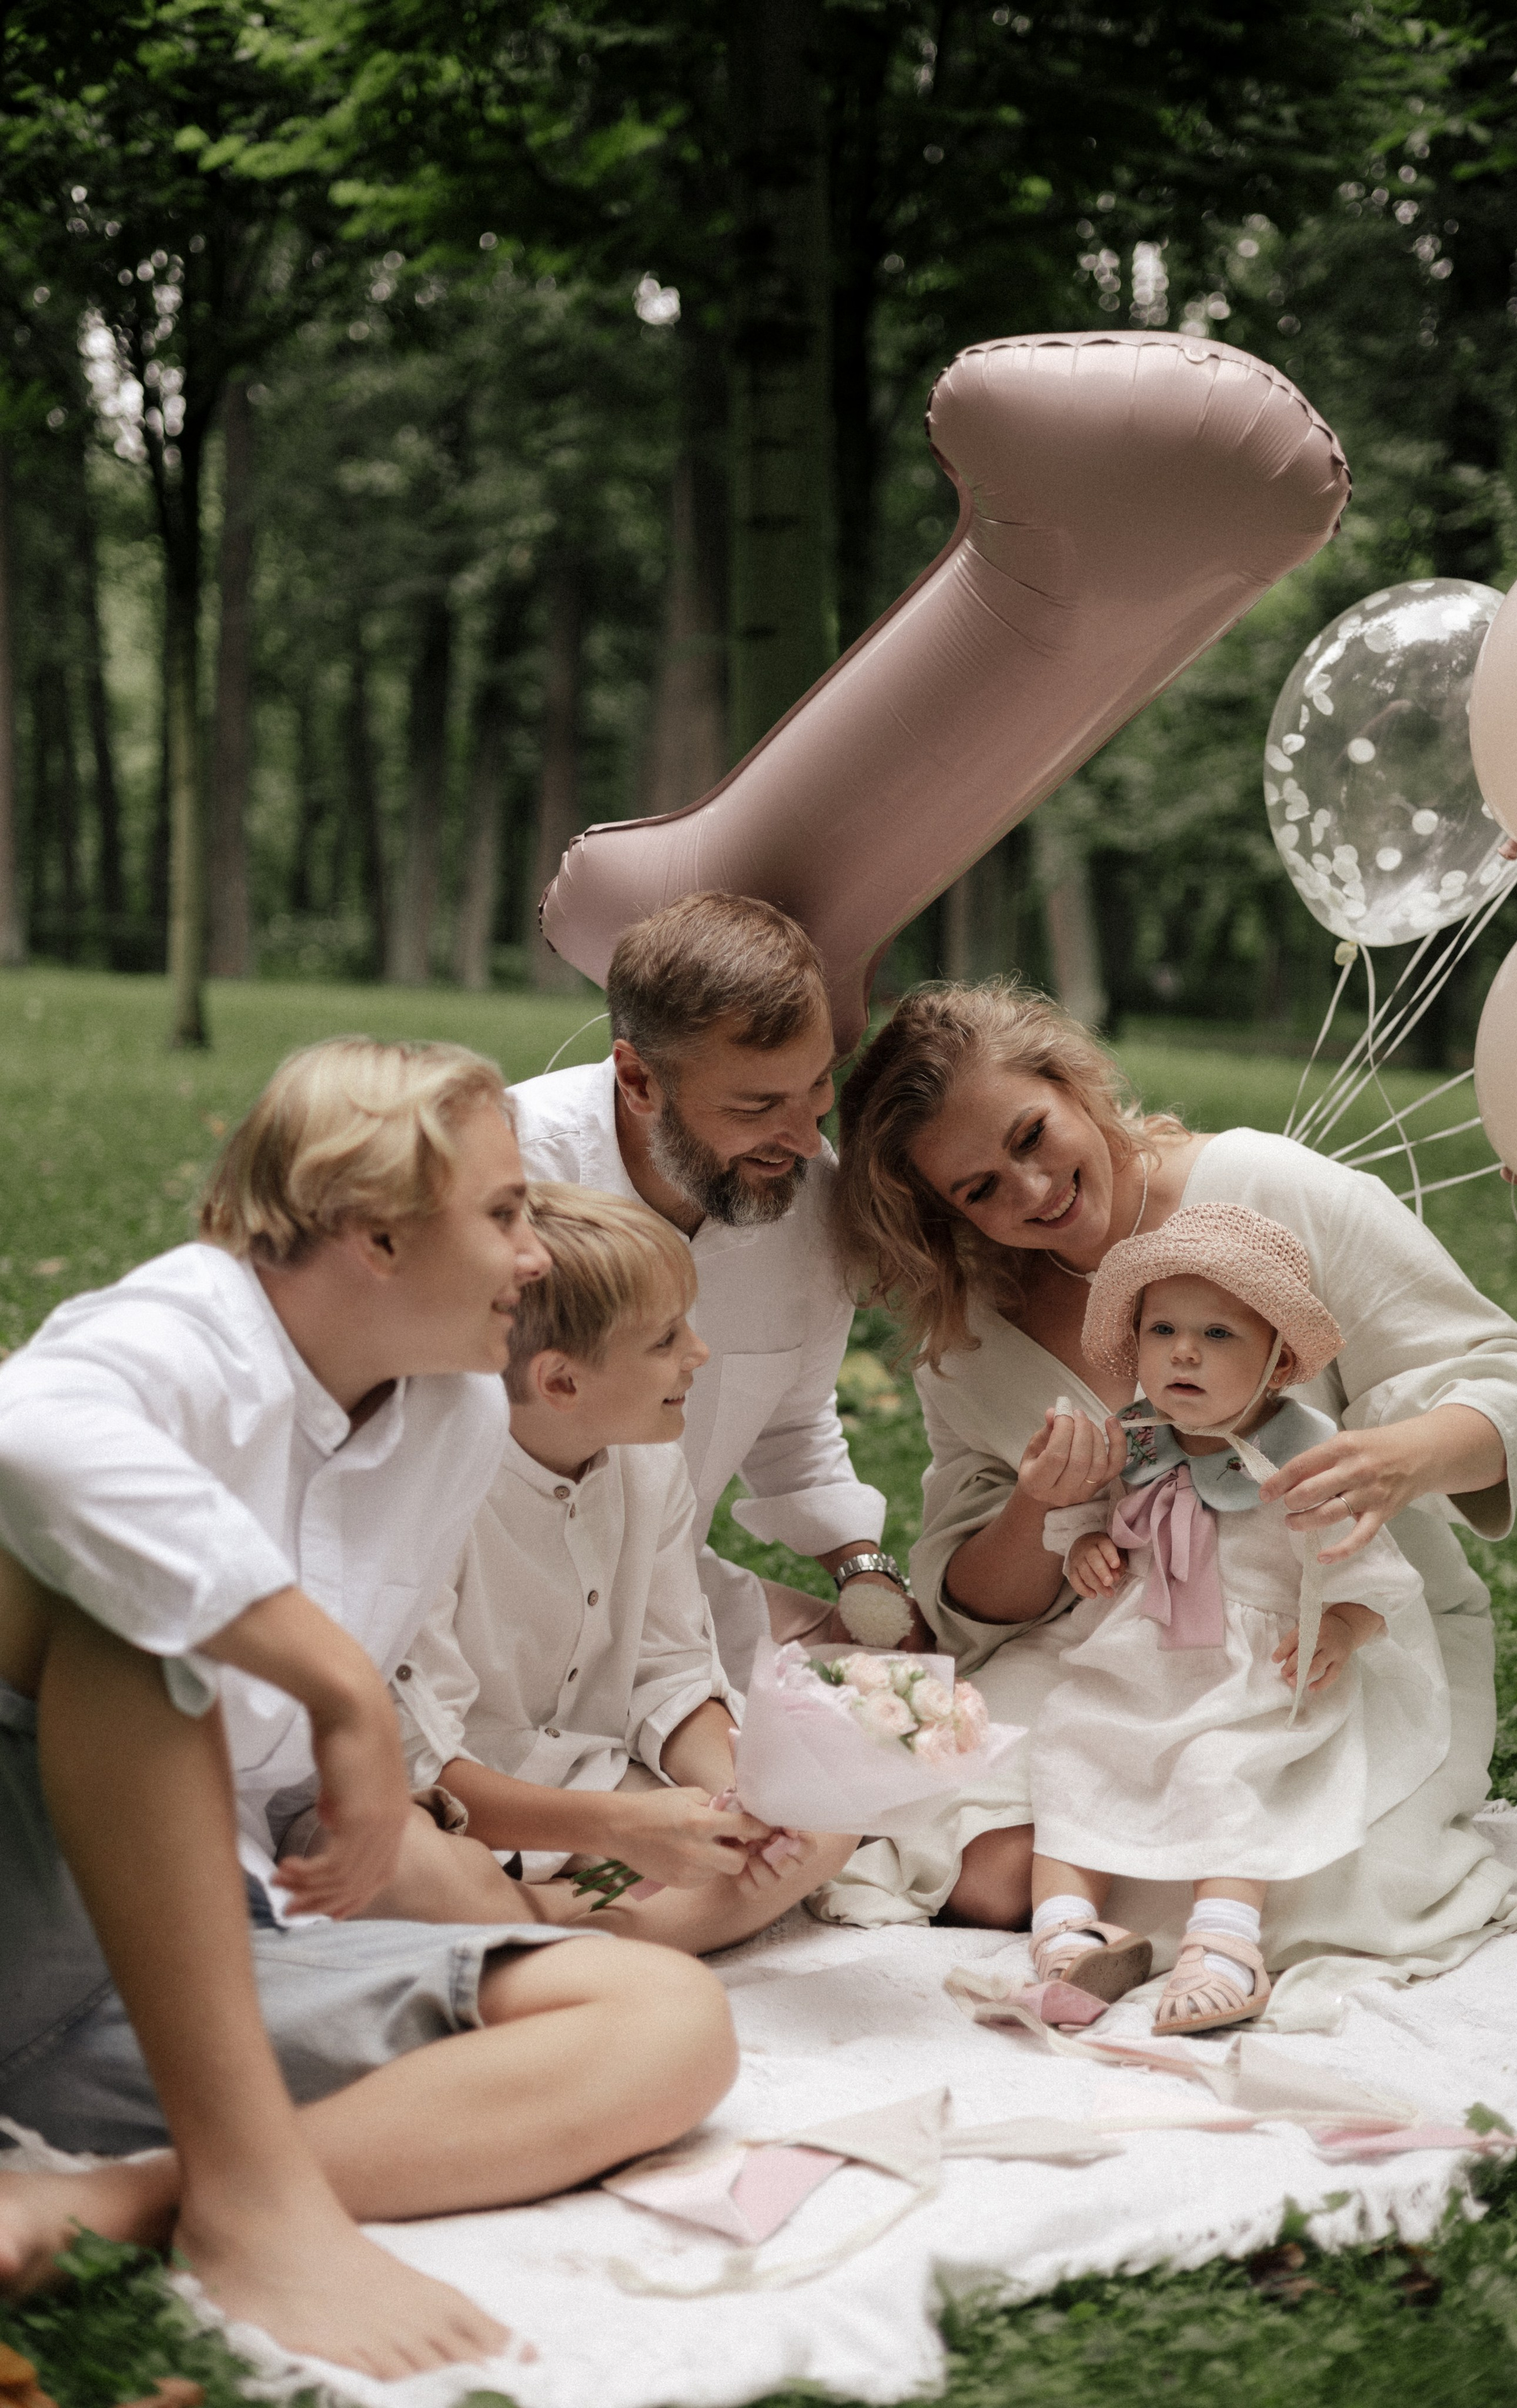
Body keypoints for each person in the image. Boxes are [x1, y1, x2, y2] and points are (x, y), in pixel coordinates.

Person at [0, 1040, 736, 2375]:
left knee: (666, 2022)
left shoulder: (451, 1414)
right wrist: (334, 1684)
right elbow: (27, 1430)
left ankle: (136, 2195)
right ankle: (258, 2195)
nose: (533, 1256)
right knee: (118, 1599)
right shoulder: (182, 1330)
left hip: (160, 1971)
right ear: (373, 1235)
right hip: (24, 1902)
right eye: (504, 1214)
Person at [815, 981, 1517, 2029]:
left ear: (1075, 1081)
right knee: (981, 1872)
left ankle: (1192, 1934)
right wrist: (1042, 1509)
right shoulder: (974, 1336)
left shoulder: (1265, 1189)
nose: (1031, 1191)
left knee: (1317, 1885)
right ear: (947, 1212)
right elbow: (977, 1603)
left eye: (1036, 1135)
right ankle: (1126, 1928)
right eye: (980, 1189)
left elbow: (1507, 1374)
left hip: (1319, 1630)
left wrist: (1394, 1458)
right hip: (1111, 1648)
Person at [309, 1181, 859, 1948]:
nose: (698, 1355)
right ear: (561, 1381)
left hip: (599, 1786)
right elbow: (417, 1766)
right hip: (462, 1815)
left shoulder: (650, 1464)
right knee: (399, 1868)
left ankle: (551, 1923)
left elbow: (668, 1671)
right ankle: (583, 1917)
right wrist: (624, 1828)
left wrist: (736, 1797)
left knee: (823, 1814)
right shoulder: (428, 1497)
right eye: (667, 1340)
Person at [1023, 1205, 1444, 2036]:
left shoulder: (1303, 1454)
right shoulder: (1136, 1437)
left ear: (1278, 1361)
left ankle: (1223, 1946)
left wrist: (1341, 1631)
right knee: (1074, 1745)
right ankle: (1069, 1933)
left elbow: (1371, 1571)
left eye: (1219, 1336)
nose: (1184, 1352)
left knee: (1223, 1770)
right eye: (1165, 1329)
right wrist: (1084, 1552)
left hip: (1254, 1670)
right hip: (1138, 1658)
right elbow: (1086, 1513)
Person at [512, 892, 912, 1686]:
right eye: (757, 1106)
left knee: (887, 1706)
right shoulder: (506, 1176)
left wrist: (865, 1571)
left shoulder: (814, 1203)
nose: (805, 1140)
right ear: (638, 1081)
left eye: (817, 1088)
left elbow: (792, 1428)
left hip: (669, 1600)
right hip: (489, 1599)